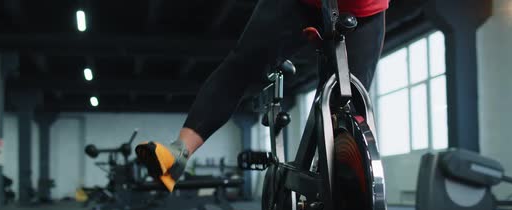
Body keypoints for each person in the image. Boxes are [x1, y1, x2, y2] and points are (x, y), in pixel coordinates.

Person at [136, 0, 388, 192]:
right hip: (298, 4)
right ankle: (178, 153)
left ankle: (333, 186)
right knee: (243, 62)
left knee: (348, 102)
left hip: (364, 11)